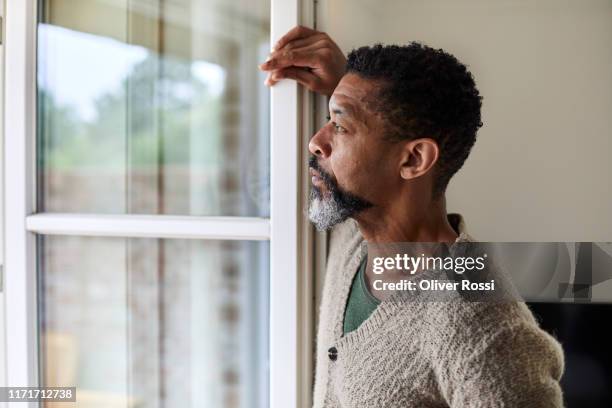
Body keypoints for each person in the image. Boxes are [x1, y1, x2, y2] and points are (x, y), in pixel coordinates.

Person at [259, 26, 565, 408]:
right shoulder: (358, 230)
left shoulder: (484, 328)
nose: (315, 142)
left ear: (413, 159)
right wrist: (342, 87)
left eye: (339, 126)